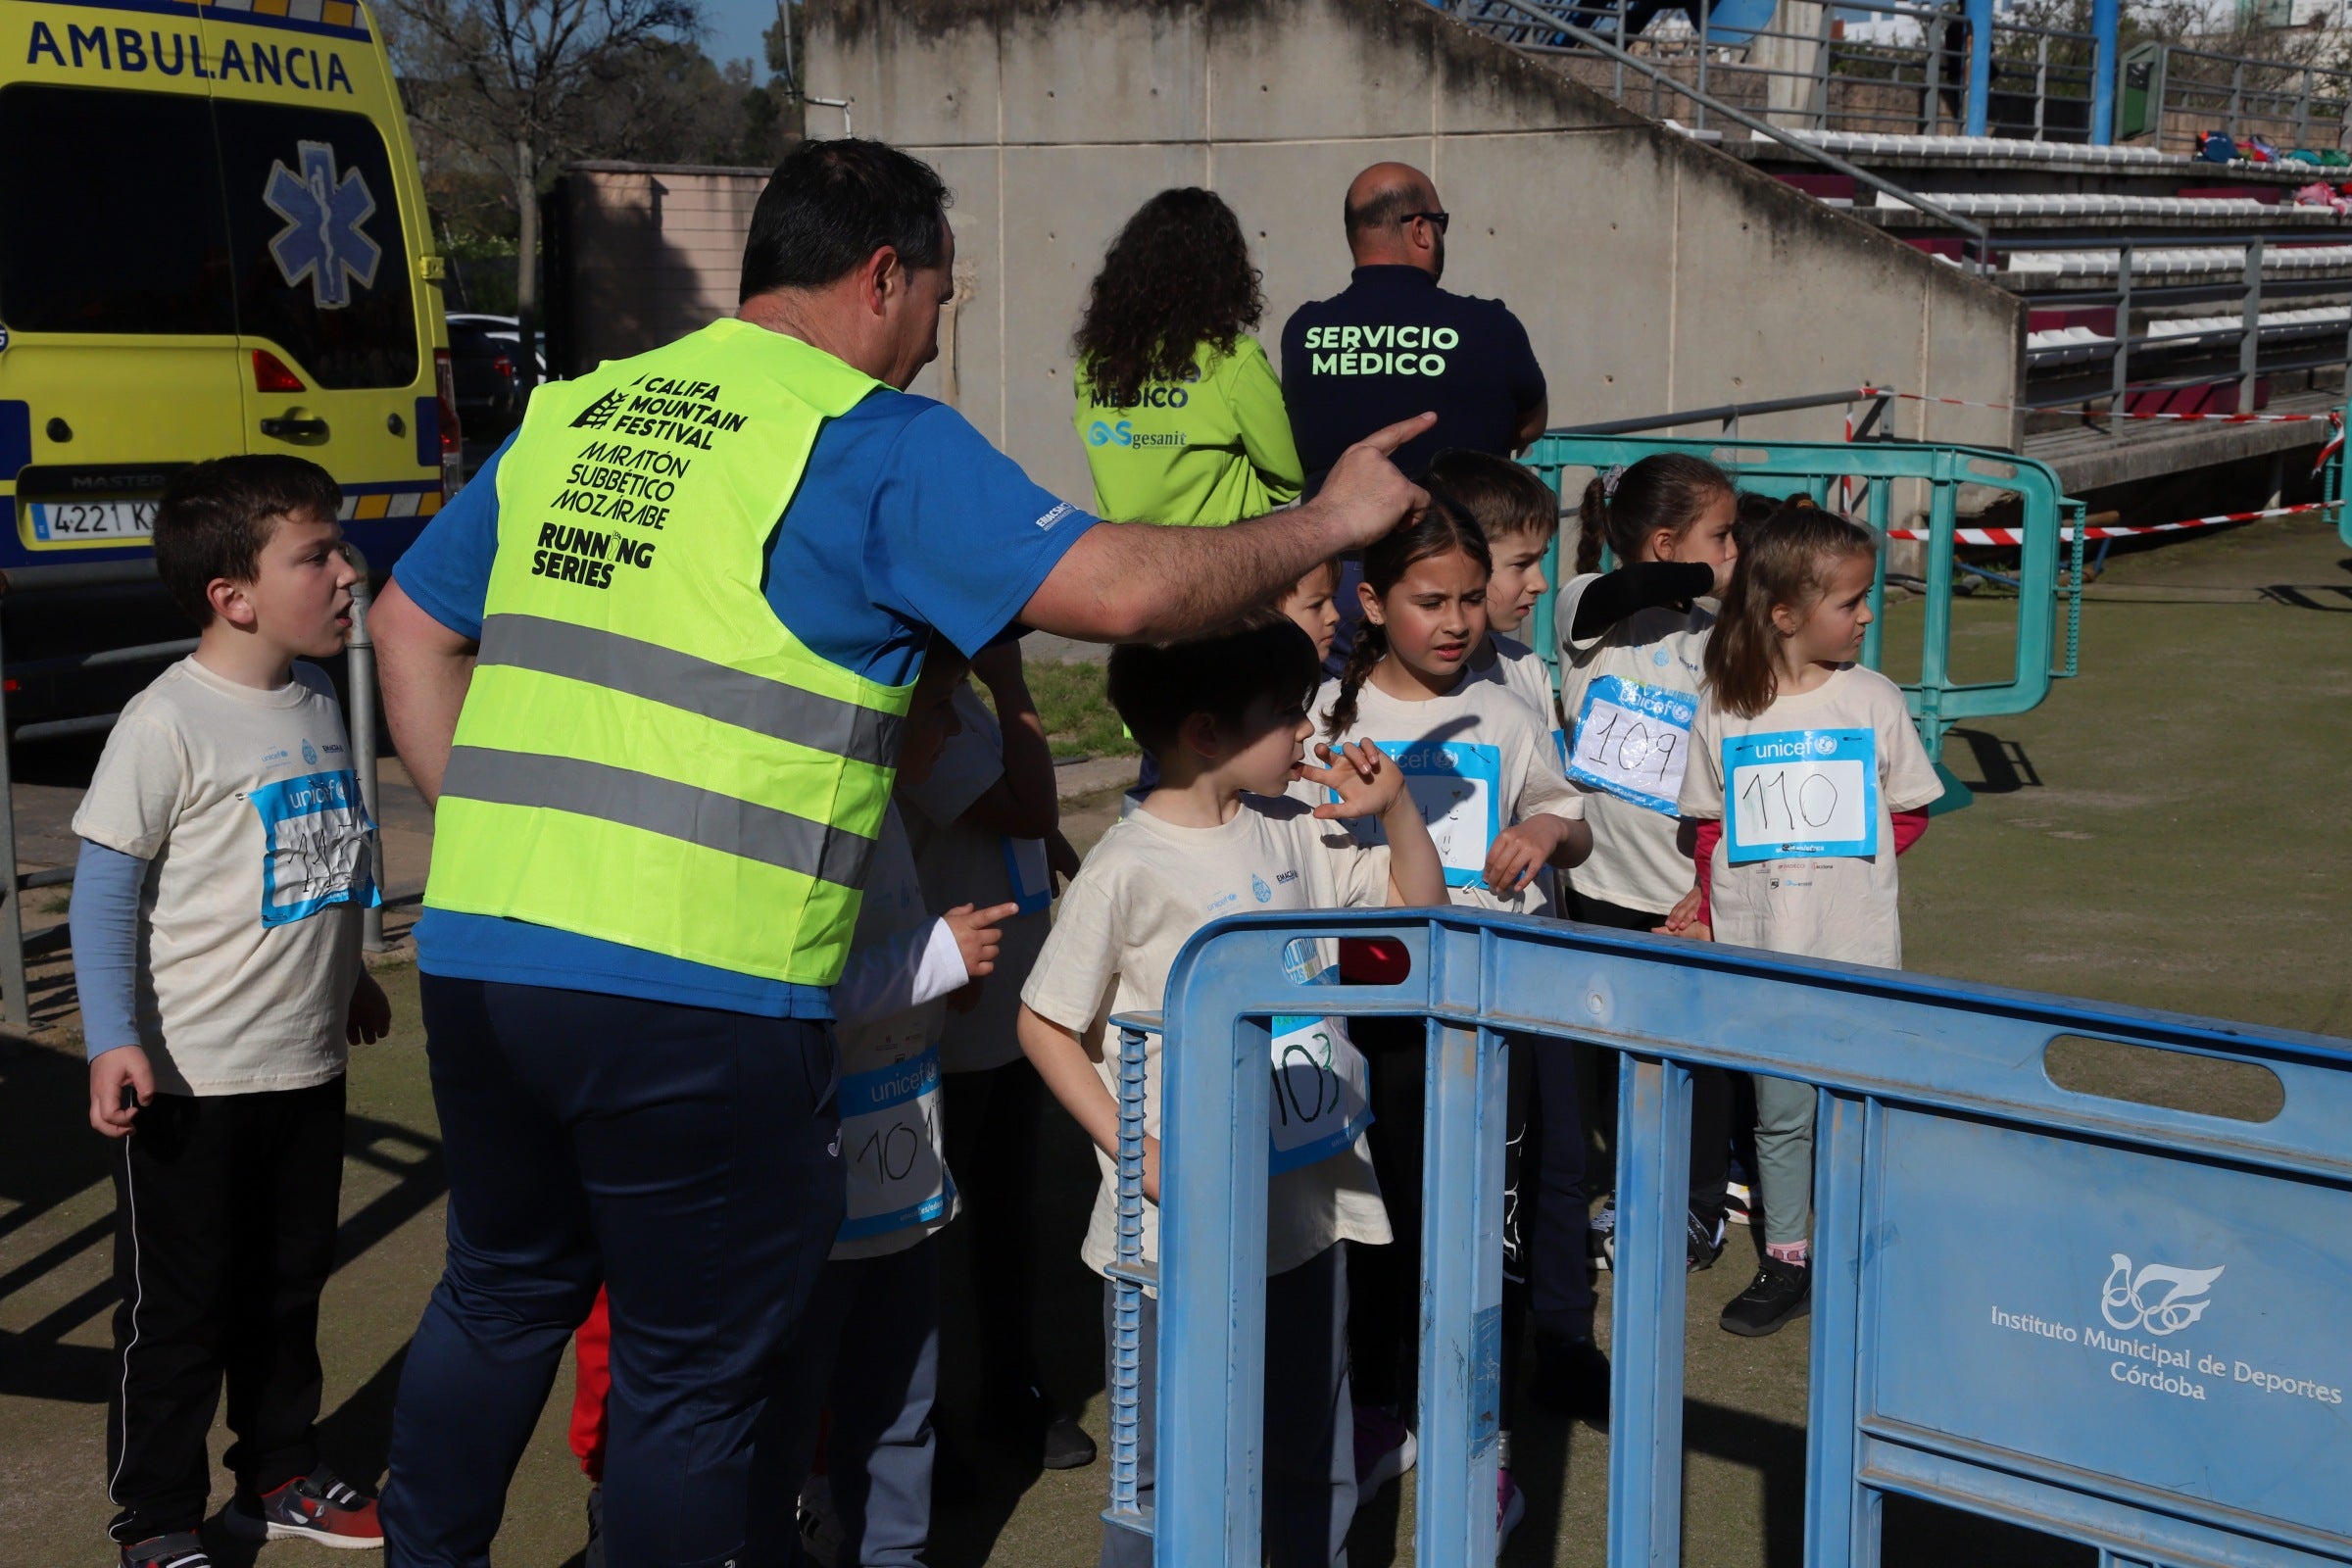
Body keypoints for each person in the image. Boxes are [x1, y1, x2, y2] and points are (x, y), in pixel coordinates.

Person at [371, 136, 1433, 1568]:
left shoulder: (582, 408)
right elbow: (1116, 588)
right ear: (884, 274)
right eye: (948, 292)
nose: (943, 330)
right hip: (702, 986)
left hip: (484, 945)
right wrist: (1331, 520)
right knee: (693, 1380)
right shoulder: (867, 438)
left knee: (495, 1301)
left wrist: (503, 830)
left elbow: (408, 625)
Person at [564, 645, 1018, 1568]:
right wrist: (932, 961)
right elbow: (786, 986)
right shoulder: (798, 826)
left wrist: (940, 983)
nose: (953, 730)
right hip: (810, 1192)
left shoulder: (887, 811)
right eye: (939, 711)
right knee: (787, 1396)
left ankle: (893, 1553)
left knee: (901, 1397)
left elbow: (886, 970)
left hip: (904, 1177)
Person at [1016, 616, 1447, 1568]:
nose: (1308, 731)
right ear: (1207, 733)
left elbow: (1417, 924)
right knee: (1162, 1474)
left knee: (1305, 1451)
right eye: (1286, 714)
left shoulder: (1293, 831)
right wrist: (1140, 1155)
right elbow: (1045, 1024)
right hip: (1177, 1233)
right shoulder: (1126, 867)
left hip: (1307, 1207)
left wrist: (1399, 809)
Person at [74, 455, 393, 1568]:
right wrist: (113, 1035)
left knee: (288, 1287)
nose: (348, 572)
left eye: (340, 547)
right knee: (179, 1315)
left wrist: (347, 971)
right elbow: (106, 886)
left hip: (305, 1069)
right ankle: (157, 1520)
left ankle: (280, 1471)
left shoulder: (312, 698)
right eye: (317, 554)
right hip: (190, 1084)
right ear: (234, 594)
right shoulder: (166, 722)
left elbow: (319, 855)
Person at [1305, 504, 1592, 1544]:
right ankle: (1381, 1414)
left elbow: (1575, 821)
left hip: (1489, 1013)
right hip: (1366, 1019)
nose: (1459, 619)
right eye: (1431, 600)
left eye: (1473, 597)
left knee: (1486, 1236)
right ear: (1372, 603)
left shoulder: (1511, 713)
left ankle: (1487, 1441)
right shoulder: (1328, 721)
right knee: (1378, 1228)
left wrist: (1546, 829)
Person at [1671, 507, 1941, 1338]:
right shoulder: (1724, 703)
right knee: (1780, 1114)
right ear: (1784, 614)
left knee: (1860, 1105)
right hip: (1762, 954)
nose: (1867, 615)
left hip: (1854, 947)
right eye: (1852, 601)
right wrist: (1712, 902)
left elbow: (1910, 810)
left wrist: (1842, 862)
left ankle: (1870, 1254)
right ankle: (1787, 1260)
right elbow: (1707, 826)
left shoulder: (1873, 698)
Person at [898, 638, 1097, 1472]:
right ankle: (929, 1422)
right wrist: (1013, 681)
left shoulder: (963, 702)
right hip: (960, 1015)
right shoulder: (925, 706)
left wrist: (1048, 851)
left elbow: (1031, 826)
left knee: (1009, 1214)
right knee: (938, 1225)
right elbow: (1029, 807)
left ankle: (1012, 1392)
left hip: (1013, 1002)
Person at [1555, 455, 1741, 1272]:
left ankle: (1700, 1207)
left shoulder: (1722, 637)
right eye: (1724, 536)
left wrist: (1708, 893)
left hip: (1688, 894)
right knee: (1615, 1059)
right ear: (1667, 545)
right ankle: (1629, 1196)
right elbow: (1617, 592)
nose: (1735, 552)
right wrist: (1711, 573)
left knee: (1696, 1062)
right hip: (1600, 885)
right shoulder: (1582, 608)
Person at [1281, 163, 1548, 496]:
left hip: (1338, 543)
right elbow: (1531, 426)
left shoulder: (1302, 331)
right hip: (1459, 540)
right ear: (1421, 230)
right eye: (1441, 223)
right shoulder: (1491, 326)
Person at [1073, 187, 1304, 525]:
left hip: (1127, 564)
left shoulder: (1095, 365)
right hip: (1216, 565)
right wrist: (1229, 496)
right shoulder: (1234, 359)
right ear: (1224, 273)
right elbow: (1288, 475)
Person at [1425, 448, 1561, 747]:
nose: (1541, 584)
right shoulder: (1391, 685)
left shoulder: (1527, 667)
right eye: (1521, 564)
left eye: (1540, 560)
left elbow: (1552, 785)